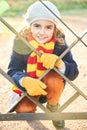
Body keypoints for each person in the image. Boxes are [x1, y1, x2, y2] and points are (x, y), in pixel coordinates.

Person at [7, 1, 79, 129]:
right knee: (24, 109)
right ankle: (31, 103)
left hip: (50, 85)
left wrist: (60, 62)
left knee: (54, 79)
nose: (42, 32)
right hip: (30, 87)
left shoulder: (59, 42)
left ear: (55, 28)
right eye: (37, 25)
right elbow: (13, 70)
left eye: (48, 27)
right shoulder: (21, 41)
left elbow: (74, 72)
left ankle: (54, 107)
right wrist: (25, 81)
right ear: (29, 25)